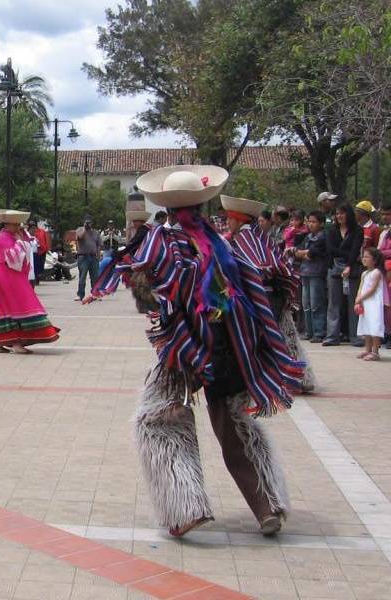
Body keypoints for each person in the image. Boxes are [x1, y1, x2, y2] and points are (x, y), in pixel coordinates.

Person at [88, 165, 301, 538]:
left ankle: (186, 508)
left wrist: (160, 308)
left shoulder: (158, 241)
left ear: (166, 207)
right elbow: (263, 281)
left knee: (158, 421)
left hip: (185, 348)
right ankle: (268, 505)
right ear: (202, 205)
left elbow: (147, 291)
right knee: (234, 423)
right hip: (232, 346)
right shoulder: (223, 243)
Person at [222, 195, 315, 392]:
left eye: (230, 218)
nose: (227, 223)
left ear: (239, 219)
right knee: (279, 336)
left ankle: (283, 377)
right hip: (270, 295)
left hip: (263, 297)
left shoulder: (246, 239)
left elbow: (260, 267)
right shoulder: (257, 237)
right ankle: (293, 376)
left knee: (266, 338)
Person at [0, 210, 61, 353]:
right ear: (7, 224)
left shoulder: (9, 235)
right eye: (15, 225)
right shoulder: (3, 237)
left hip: (8, 275)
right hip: (6, 276)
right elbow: (14, 258)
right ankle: (16, 343)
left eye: (18, 224)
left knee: (10, 308)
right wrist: (20, 241)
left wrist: (20, 239)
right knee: (18, 306)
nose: (18, 227)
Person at [322, 204, 363, 346]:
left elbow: (356, 249)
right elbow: (331, 249)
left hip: (352, 270)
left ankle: (355, 336)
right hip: (334, 268)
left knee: (354, 303)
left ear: (348, 214)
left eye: (342, 213)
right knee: (333, 303)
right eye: (337, 213)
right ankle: (332, 336)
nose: (339, 216)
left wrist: (350, 265)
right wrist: (349, 255)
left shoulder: (357, 230)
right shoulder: (331, 230)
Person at [294, 211, 330, 343]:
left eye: (314, 222)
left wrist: (304, 253)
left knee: (317, 304)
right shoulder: (307, 236)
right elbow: (297, 252)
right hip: (305, 272)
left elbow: (312, 253)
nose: (310, 224)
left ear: (321, 223)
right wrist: (304, 253)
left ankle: (319, 332)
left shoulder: (324, 237)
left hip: (317, 273)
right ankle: (309, 331)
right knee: (306, 304)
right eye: (309, 221)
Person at [355, 247, 386, 360]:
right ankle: (367, 350)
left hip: (374, 303)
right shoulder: (364, 273)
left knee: (374, 326)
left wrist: (361, 298)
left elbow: (372, 290)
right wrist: (357, 299)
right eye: (363, 256)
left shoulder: (377, 273)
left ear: (375, 260)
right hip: (365, 302)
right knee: (366, 326)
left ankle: (375, 352)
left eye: (367, 257)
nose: (364, 259)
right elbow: (361, 287)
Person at [74, 217, 102, 301]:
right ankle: (80, 294)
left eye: (89, 223)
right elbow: (80, 237)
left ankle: (95, 293)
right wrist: (85, 229)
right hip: (83, 257)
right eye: (86, 223)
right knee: (82, 276)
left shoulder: (96, 232)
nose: (88, 224)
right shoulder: (80, 230)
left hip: (93, 256)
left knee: (95, 277)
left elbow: (99, 244)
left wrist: (98, 254)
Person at [378, 205, 391, 349]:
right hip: (384, 270)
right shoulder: (384, 232)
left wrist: (383, 253)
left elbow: (382, 251)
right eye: (383, 214)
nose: (385, 217)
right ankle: (386, 333)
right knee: (386, 305)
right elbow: (379, 250)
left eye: (387, 214)